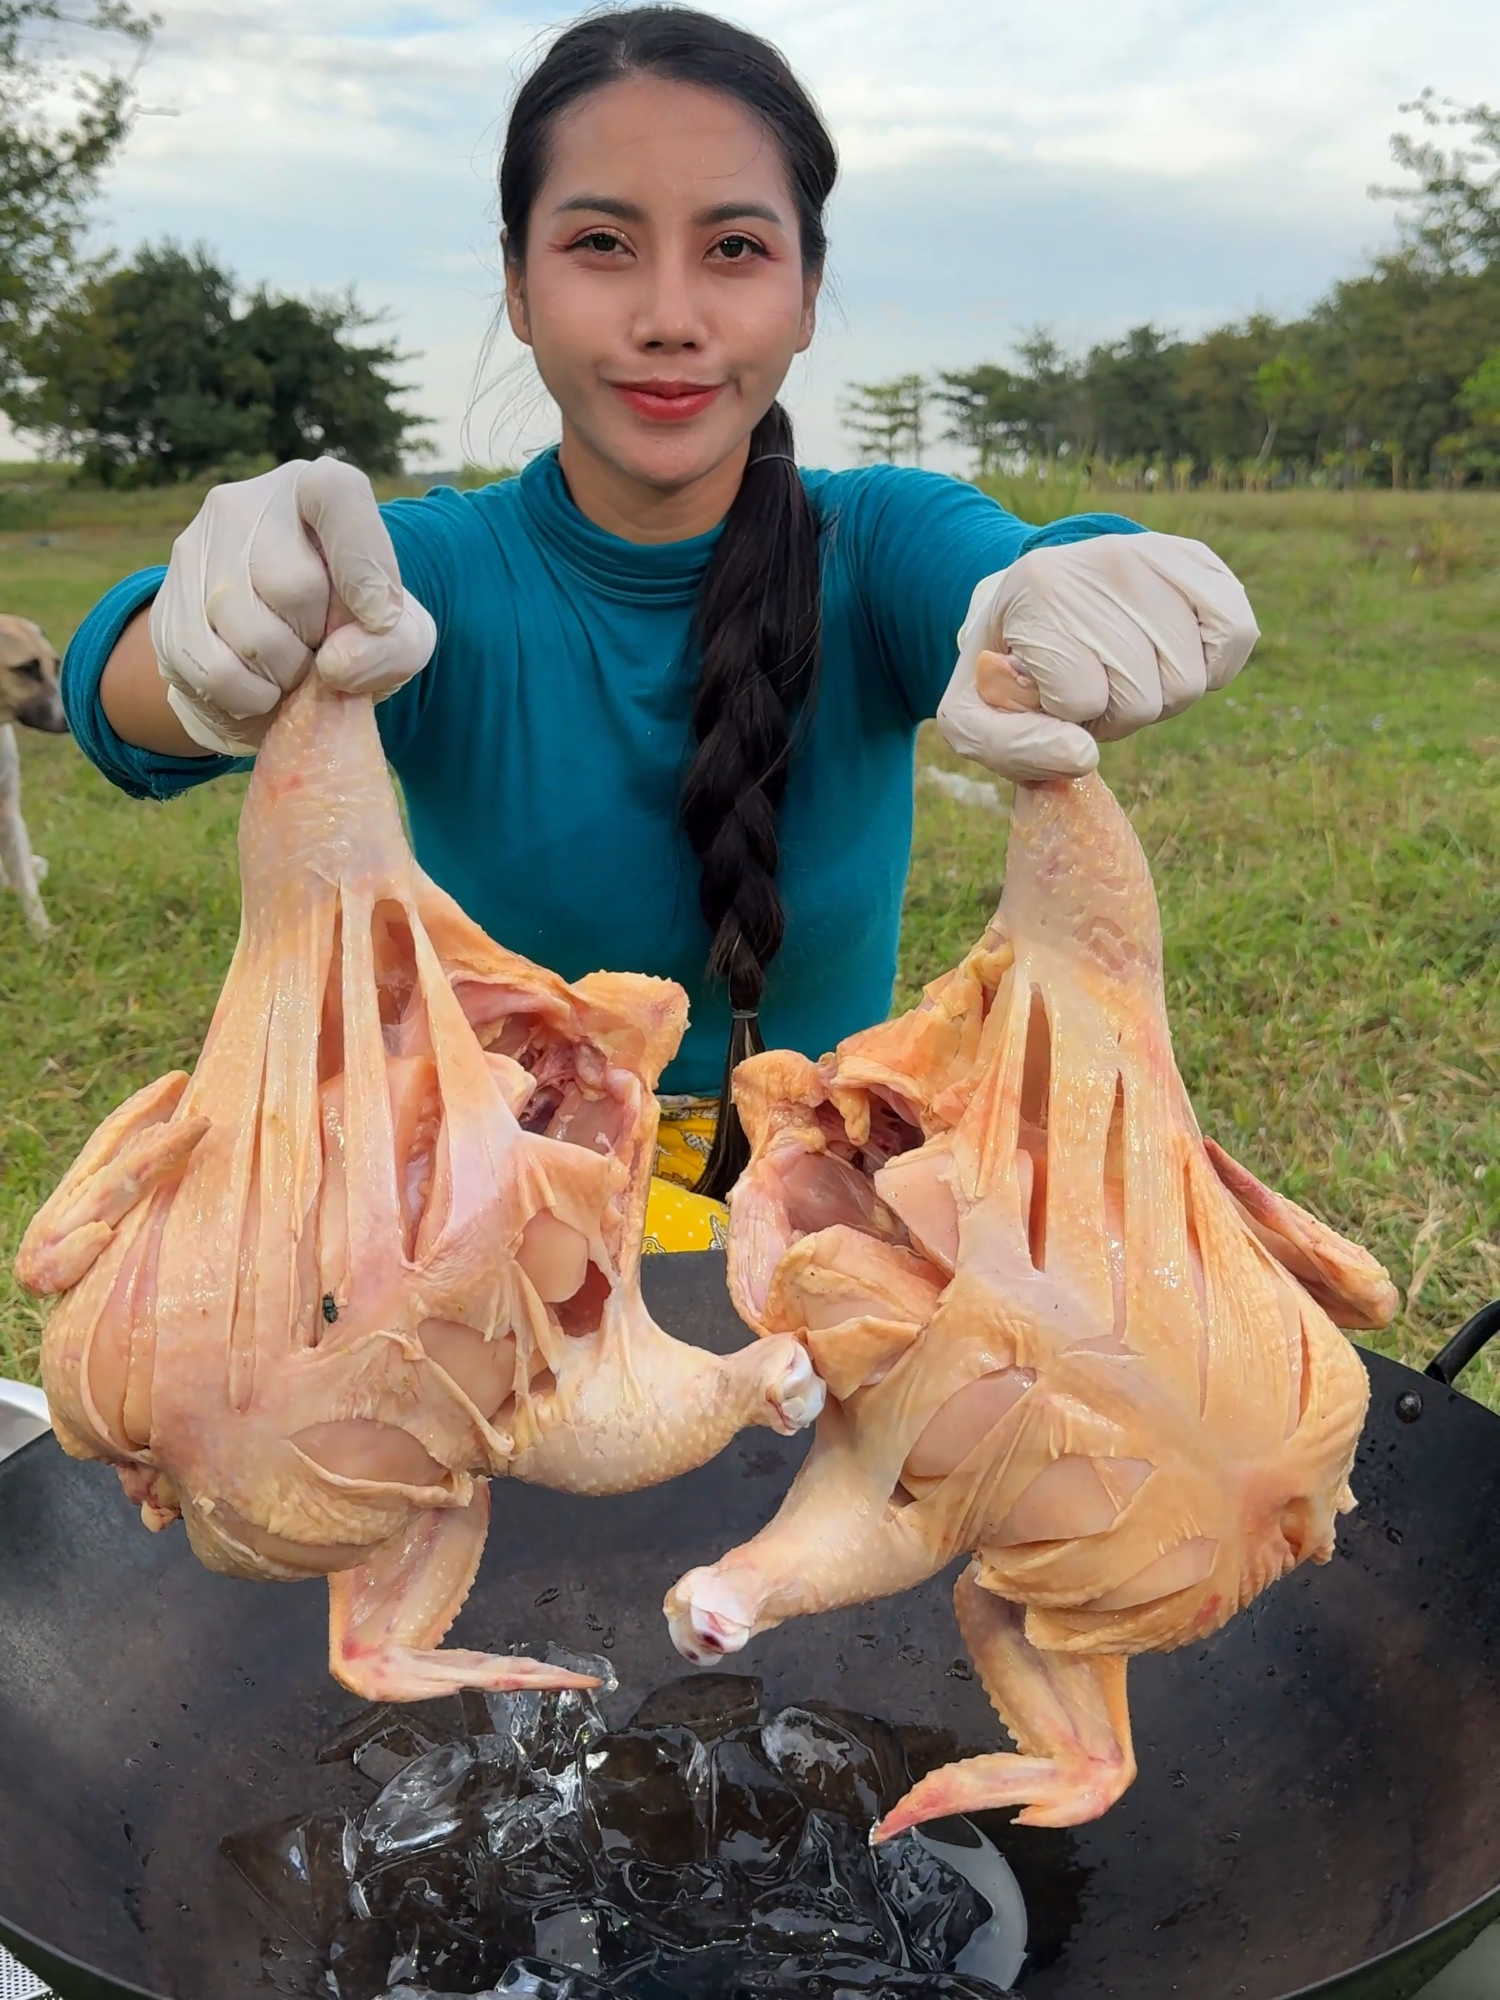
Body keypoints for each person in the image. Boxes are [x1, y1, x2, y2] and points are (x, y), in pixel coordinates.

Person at [65, 5, 1258, 1247]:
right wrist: (204, 640)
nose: (670, 315)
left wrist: (1099, 584)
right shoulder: (429, 576)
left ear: (806, 295)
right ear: (519, 288)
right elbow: (117, 693)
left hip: (827, 1218)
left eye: (735, 246)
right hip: (490, 1219)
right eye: (601, 243)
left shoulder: (879, 541)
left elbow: (1021, 581)